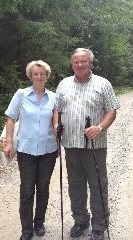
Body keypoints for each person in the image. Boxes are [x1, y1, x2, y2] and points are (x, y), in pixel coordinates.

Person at [53, 48, 120, 240]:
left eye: (83, 61)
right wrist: (57, 124)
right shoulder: (63, 84)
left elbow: (112, 111)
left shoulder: (103, 83)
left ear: (90, 63)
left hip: (95, 146)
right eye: (76, 62)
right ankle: (80, 221)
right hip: (71, 145)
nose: (80, 65)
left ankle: (99, 225)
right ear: (72, 64)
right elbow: (57, 109)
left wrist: (99, 127)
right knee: (75, 185)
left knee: (98, 185)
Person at [4, 60, 57, 240]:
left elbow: (57, 121)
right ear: (30, 76)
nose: (39, 77)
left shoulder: (54, 97)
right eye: (36, 74)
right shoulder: (21, 94)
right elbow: (11, 118)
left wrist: (59, 130)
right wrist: (9, 142)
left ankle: (39, 223)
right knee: (27, 190)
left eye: (42, 74)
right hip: (26, 151)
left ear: (47, 76)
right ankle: (26, 230)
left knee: (43, 188)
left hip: (49, 150)